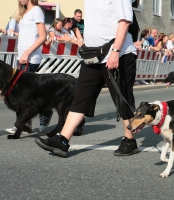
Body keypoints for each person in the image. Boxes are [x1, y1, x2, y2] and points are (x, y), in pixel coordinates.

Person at [35, 0, 139, 158]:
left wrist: (116, 51)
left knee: (121, 98)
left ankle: (130, 141)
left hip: (118, 53)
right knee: (80, 97)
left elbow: (124, 22)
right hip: (93, 55)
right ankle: (62, 141)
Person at [6, 0, 53, 134]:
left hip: (30, 58)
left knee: (24, 94)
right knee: (23, 94)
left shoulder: (36, 11)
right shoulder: (25, 13)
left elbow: (43, 36)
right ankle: (25, 124)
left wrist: (27, 53)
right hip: (21, 57)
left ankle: (42, 113)